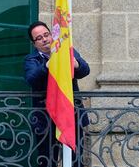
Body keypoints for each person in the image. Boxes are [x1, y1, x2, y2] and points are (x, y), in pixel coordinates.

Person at [23, 21, 90, 167]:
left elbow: (85, 70)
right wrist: (47, 65)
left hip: (71, 114)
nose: (44, 39)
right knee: (47, 161)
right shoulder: (31, 59)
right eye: (39, 38)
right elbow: (31, 79)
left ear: (52, 34)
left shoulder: (67, 50)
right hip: (45, 117)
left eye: (46, 35)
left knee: (75, 160)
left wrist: (76, 63)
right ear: (34, 44)